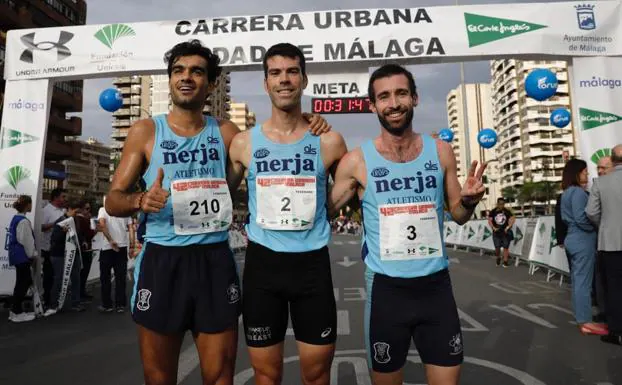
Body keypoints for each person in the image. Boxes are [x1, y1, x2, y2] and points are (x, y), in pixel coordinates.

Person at [104, 39, 330, 385]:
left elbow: (277, 141)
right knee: (158, 377)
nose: (186, 78)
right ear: (170, 80)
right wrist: (139, 201)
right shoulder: (146, 131)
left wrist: (311, 122)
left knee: (221, 376)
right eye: (179, 70)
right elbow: (113, 199)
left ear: (209, 84)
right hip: (164, 260)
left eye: (197, 72)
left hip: (213, 261)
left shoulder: (227, 133)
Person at [328, 64, 487, 385]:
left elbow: (457, 213)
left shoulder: (440, 152)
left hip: (435, 289)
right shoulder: (356, 161)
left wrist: (469, 200)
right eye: (383, 97)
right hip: (386, 292)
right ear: (372, 106)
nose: (394, 103)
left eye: (401, 93)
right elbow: (322, 212)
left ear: (414, 98)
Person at [227, 43, 347, 385]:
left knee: (316, 372)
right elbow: (219, 194)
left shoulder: (331, 141)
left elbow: (352, 189)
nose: (284, 80)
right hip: (263, 268)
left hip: (312, 267)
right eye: (275, 73)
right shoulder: (243, 143)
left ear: (304, 79)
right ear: (265, 83)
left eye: (292, 71)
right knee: (266, 374)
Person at [560, 158, 607, 336]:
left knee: (579, 281)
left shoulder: (566, 193)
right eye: (585, 172)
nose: (587, 175)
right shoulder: (579, 193)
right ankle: (586, 321)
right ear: (577, 173)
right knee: (583, 283)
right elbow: (582, 218)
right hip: (582, 240)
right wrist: (597, 227)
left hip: (572, 238)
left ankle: (584, 319)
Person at [586, 145, 622, 345]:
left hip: (611, 243)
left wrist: (605, 224)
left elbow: (591, 212)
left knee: (614, 289)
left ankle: (617, 330)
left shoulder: (600, 183)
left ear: (614, 161)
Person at [46, 199, 85, 315]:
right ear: (68, 209)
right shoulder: (61, 221)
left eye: (78, 212)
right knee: (59, 279)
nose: (76, 214)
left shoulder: (75, 220)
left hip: (74, 254)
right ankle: (53, 304)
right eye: (75, 212)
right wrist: (63, 232)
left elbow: (78, 234)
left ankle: (75, 302)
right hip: (59, 255)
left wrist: (82, 241)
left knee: (76, 278)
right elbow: (54, 239)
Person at [97, 197, 132, 313]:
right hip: (122, 247)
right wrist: (132, 245)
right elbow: (131, 228)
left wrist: (110, 240)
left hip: (107, 247)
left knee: (105, 278)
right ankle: (120, 304)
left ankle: (107, 305)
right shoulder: (124, 212)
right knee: (120, 278)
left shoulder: (103, 210)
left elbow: (102, 225)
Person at [7, 195, 37, 323]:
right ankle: (16, 312)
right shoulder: (24, 221)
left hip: (16, 255)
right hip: (22, 256)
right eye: (30, 204)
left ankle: (15, 310)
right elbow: (26, 240)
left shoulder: (16, 218)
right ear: (27, 205)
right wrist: (32, 254)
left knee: (22, 282)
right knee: (22, 283)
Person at [40, 188, 67, 308]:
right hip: (48, 249)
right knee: (49, 276)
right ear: (56, 198)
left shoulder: (63, 210)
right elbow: (41, 227)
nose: (64, 199)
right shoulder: (46, 210)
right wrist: (57, 223)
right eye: (63, 197)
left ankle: (57, 300)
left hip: (62, 248)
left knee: (59, 276)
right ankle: (47, 301)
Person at [75, 200, 96, 302]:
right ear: (81, 209)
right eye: (87, 209)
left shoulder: (82, 219)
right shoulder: (82, 220)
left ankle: (81, 292)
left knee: (83, 273)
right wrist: (95, 230)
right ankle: (80, 293)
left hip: (85, 248)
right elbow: (89, 234)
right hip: (84, 249)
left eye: (89, 208)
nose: (89, 211)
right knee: (83, 272)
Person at [487, 197, 515, 267]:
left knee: (506, 247)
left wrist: (508, 227)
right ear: (497, 204)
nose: (501, 205)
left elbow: (513, 218)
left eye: (503, 204)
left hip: (505, 233)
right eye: (500, 204)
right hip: (496, 232)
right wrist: (493, 227)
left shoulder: (506, 211)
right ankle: (498, 257)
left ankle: (505, 261)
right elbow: (489, 220)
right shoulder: (493, 211)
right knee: (497, 248)